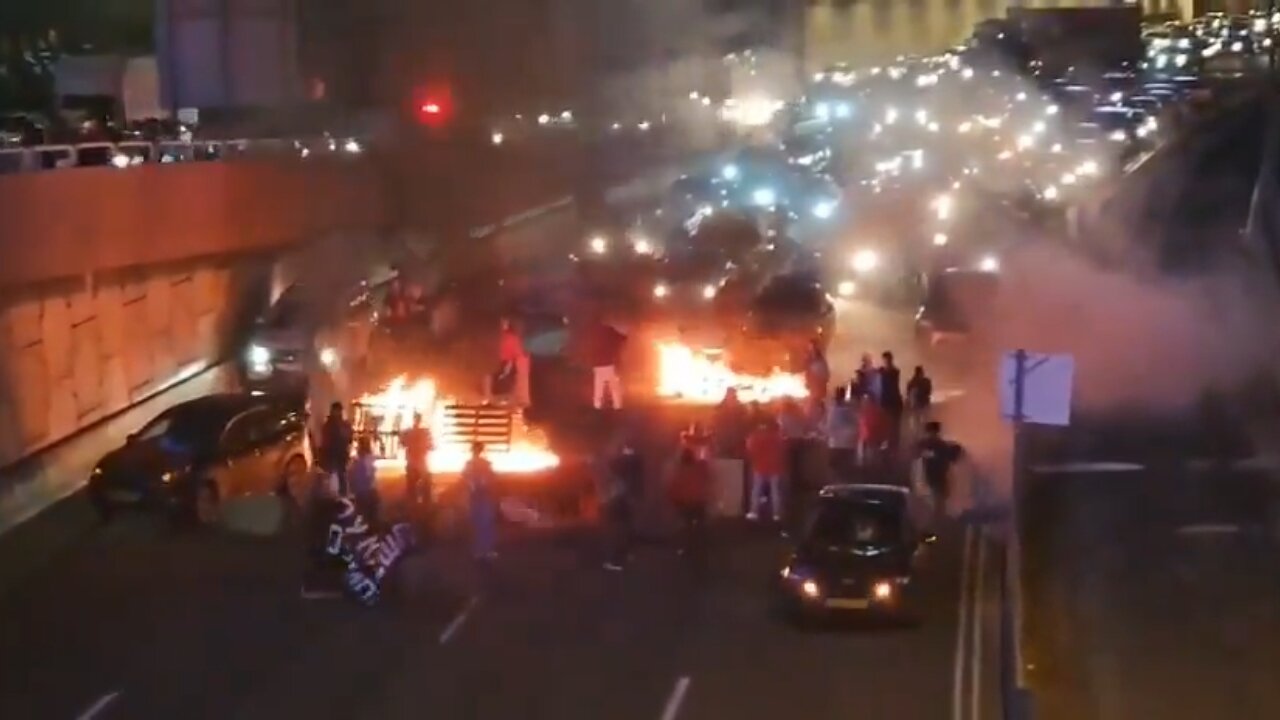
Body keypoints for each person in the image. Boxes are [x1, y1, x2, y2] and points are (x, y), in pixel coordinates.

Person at [603, 438, 644, 571]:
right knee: (625, 527)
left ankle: (617, 560)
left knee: (619, 530)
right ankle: (625, 555)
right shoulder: (635, 462)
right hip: (626, 498)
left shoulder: (620, 463)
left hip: (620, 499)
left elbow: (612, 472)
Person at [667, 448, 711, 558]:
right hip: (699, 502)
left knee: (687, 526)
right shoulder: (700, 468)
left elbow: (673, 487)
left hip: (686, 504)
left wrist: (674, 500)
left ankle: (688, 549)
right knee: (700, 525)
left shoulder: (679, 471)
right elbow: (707, 477)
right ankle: (702, 547)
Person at [916, 421, 964, 521]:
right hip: (933, 479)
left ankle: (937, 521)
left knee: (937, 503)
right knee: (936, 503)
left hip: (935, 479)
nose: (931, 435)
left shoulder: (934, 445)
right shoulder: (935, 445)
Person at [462, 442, 498, 560]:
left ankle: (480, 551)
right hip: (482, 495)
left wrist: (472, 485)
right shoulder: (484, 464)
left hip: (477, 496)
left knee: (479, 523)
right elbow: (492, 477)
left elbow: (465, 478)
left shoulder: (470, 464)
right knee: (485, 523)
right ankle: (485, 550)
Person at [746, 418, 785, 523]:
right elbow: (782, 449)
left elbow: (750, 449)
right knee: (775, 491)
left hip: (759, 466)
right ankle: (776, 514)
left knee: (756, 490)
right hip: (775, 466)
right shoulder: (777, 437)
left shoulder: (756, 436)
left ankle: (754, 512)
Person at [590, 318, 627, 410]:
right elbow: (622, 338)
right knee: (614, 386)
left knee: (598, 386)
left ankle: (597, 406)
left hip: (597, 364)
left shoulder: (592, 334)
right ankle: (617, 405)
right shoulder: (609, 330)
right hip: (608, 363)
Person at [318, 402, 354, 494]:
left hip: (338, 453)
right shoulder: (332, 424)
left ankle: (339, 495)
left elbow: (349, 438)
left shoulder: (341, 424)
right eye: (336, 410)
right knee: (334, 476)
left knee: (339, 475)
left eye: (338, 410)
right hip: (333, 453)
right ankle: (336, 495)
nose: (337, 412)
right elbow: (349, 438)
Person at [400, 413, 433, 507]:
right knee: (426, 482)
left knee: (411, 484)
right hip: (421, 462)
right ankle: (425, 502)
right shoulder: (425, 432)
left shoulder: (408, 432)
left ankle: (411, 503)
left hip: (411, 461)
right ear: (420, 420)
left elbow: (403, 443)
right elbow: (430, 445)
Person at [827, 386, 859, 478]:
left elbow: (830, 426)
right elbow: (856, 424)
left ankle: (838, 489)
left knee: (836, 471)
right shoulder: (851, 409)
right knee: (847, 471)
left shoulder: (833, 410)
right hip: (849, 444)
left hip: (836, 444)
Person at [348, 436, 380, 525]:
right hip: (368, 491)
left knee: (361, 514)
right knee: (371, 514)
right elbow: (371, 477)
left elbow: (351, 478)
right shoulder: (369, 459)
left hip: (359, 492)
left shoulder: (356, 462)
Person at [879, 351, 904, 453]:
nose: (886, 362)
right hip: (888, 401)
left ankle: (893, 445)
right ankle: (891, 444)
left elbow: (890, 387)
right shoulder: (885, 371)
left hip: (892, 401)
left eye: (887, 360)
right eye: (885, 360)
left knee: (893, 425)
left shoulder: (893, 372)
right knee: (889, 425)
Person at [858, 394, 887, 468]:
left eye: (865, 400)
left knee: (870, 463)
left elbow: (882, 428)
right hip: (868, 442)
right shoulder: (864, 412)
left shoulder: (874, 412)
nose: (863, 402)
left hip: (872, 442)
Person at [905, 365, 934, 437]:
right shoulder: (926, 381)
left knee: (917, 423)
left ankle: (918, 436)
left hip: (917, 405)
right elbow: (929, 392)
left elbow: (908, 394)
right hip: (921, 404)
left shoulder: (912, 382)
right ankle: (923, 436)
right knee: (922, 422)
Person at [804, 338, 831, 403]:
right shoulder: (809, 359)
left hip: (820, 380)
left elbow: (824, 369)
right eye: (810, 346)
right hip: (814, 381)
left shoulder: (821, 359)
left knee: (820, 397)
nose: (812, 348)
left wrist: (825, 378)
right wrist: (807, 381)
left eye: (813, 346)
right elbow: (807, 370)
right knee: (814, 397)